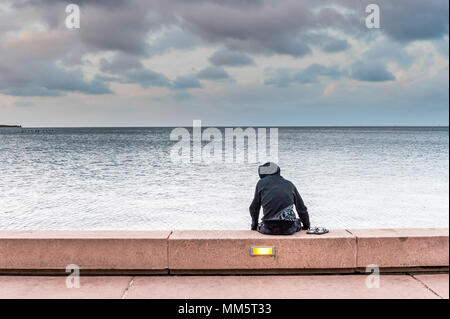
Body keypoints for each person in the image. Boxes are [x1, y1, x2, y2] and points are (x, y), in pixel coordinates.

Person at [249, 162, 310, 235]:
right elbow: (301, 209)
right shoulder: (289, 185)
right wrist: (307, 226)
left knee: (262, 224)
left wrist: (254, 225)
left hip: (268, 228)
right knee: (297, 221)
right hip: (288, 228)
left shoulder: (261, 183)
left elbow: (253, 208)